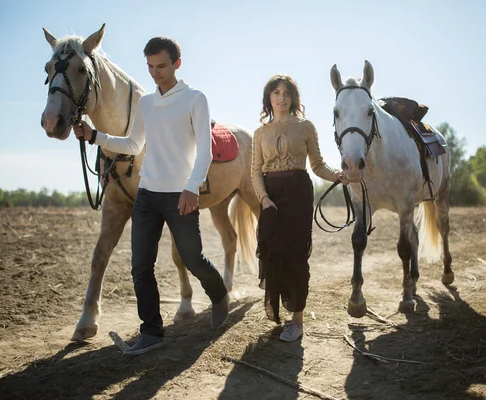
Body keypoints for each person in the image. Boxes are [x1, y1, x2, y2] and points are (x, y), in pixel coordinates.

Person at [73, 36, 228, 356]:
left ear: (176, 64)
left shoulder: (195, 99)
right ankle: (151, 331)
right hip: (147, 194)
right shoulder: (146, 103)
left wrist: (191, 186)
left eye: (161, 66)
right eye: (150, 67)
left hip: (180, 195)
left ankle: (218, 293)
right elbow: (133, 145)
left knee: (193, 259)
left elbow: (206, 150)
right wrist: (94, 136)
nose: (155, 72)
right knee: (141, 266)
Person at [251, 74, 348, 342]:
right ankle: (279, 313)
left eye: (286, 93)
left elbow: (317, 165)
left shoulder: (306, 127)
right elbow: (255, 171)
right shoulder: (260, 133)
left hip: (297, 193)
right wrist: (263, 198)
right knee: (271, 253)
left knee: (296, 256)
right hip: (271, 195)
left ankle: (297, 321)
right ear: (268, 98)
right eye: (276, 93)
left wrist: (338, 175)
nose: (281, 98)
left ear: (293, 98)